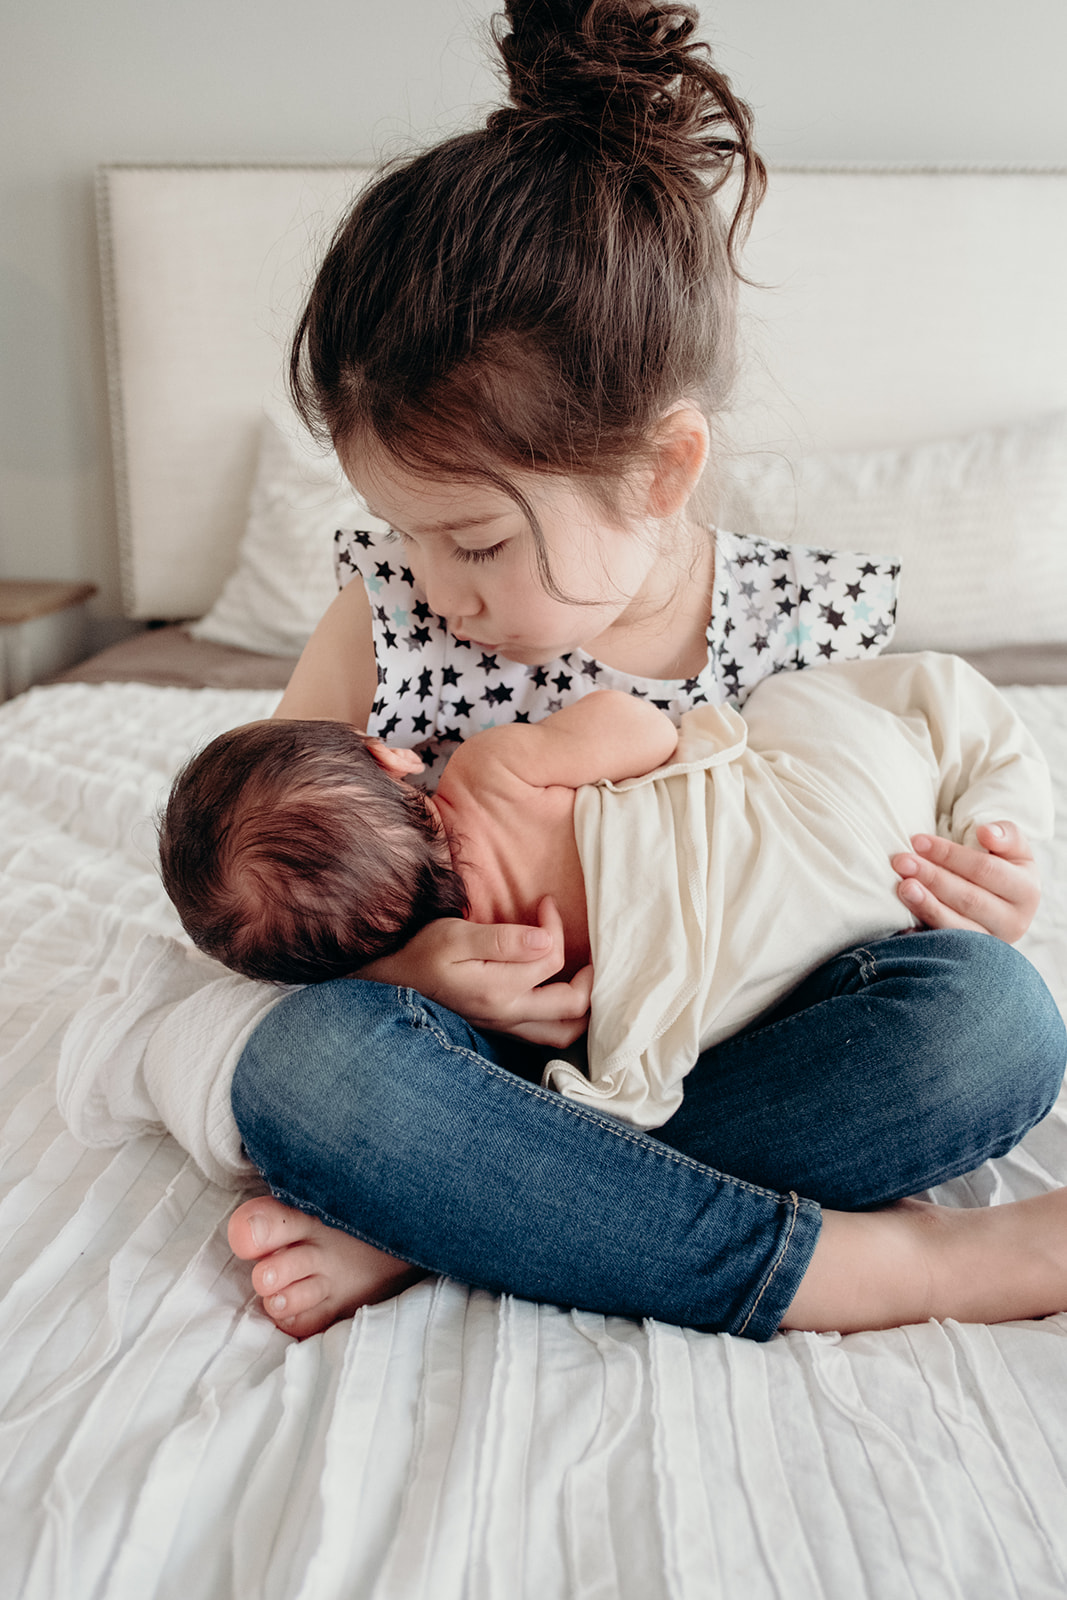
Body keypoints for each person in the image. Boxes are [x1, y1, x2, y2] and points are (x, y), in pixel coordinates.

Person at [222, 0, 1064, 1342]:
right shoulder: (377, 625)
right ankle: (900, 1271)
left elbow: (871, 876)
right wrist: (418, 970)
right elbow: (270, 911)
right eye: (406, 536)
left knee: (992, 1023)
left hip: (732, 1052)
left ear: (659, 471)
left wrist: (976, 884)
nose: (437, 585)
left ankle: (459, 1217)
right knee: (308, 1073)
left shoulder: (799, 632)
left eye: (476, 540)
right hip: (485, 1063)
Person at [162, 653, 1053, 1129]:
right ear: (387, 755)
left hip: (747, 981)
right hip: (854, 846)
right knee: (899, 706)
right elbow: (643, 735)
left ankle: (532, 1193)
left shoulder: (474, 976)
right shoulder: (486, 773)